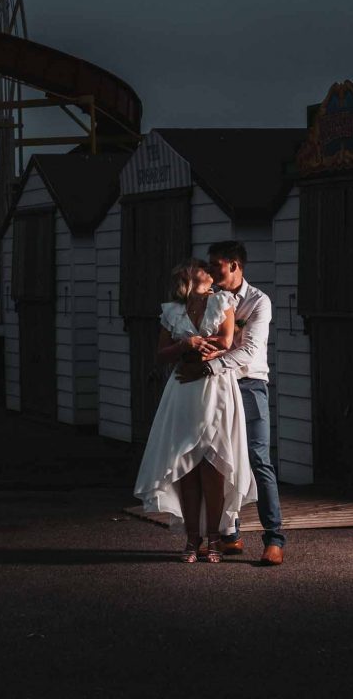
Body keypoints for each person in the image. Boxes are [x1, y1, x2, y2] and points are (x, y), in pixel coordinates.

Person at [134, 258, 257, 564]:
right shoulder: (172, 312)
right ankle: (192, 540)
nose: (206, 269)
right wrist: (185, 345)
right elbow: (162, 353)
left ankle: (215, 539)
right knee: (186, 465)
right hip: (183, 391)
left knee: (213, 464)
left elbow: (227, 340)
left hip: (216, 387)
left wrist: (200, 345)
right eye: (199, 267)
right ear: (187, 277)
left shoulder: (222, 302)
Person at [176, 241, 286, 566]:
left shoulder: (258, 302)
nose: (210, 270)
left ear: (235, 265)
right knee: (216, 460)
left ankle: (275, 539)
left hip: (249, 384)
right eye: (208, 265)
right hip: (214, 387)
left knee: (258, 458)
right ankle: (229, 534)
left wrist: (209, 363)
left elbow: (250, 351)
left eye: (216, 265)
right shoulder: (206, 300)